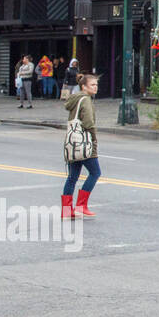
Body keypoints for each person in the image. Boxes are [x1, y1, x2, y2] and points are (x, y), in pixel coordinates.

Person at [62, 72, 102, 218]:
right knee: (95, 173)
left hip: (73, 142)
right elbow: (88, 123)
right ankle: (81, 206)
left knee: (72, 177)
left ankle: (66, 210)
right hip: (84, 143)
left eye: (96, 84)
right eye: (92, 85)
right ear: (84, 87)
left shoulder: (75, 99)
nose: (95, 87)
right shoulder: (85, 100)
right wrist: (94, 139)